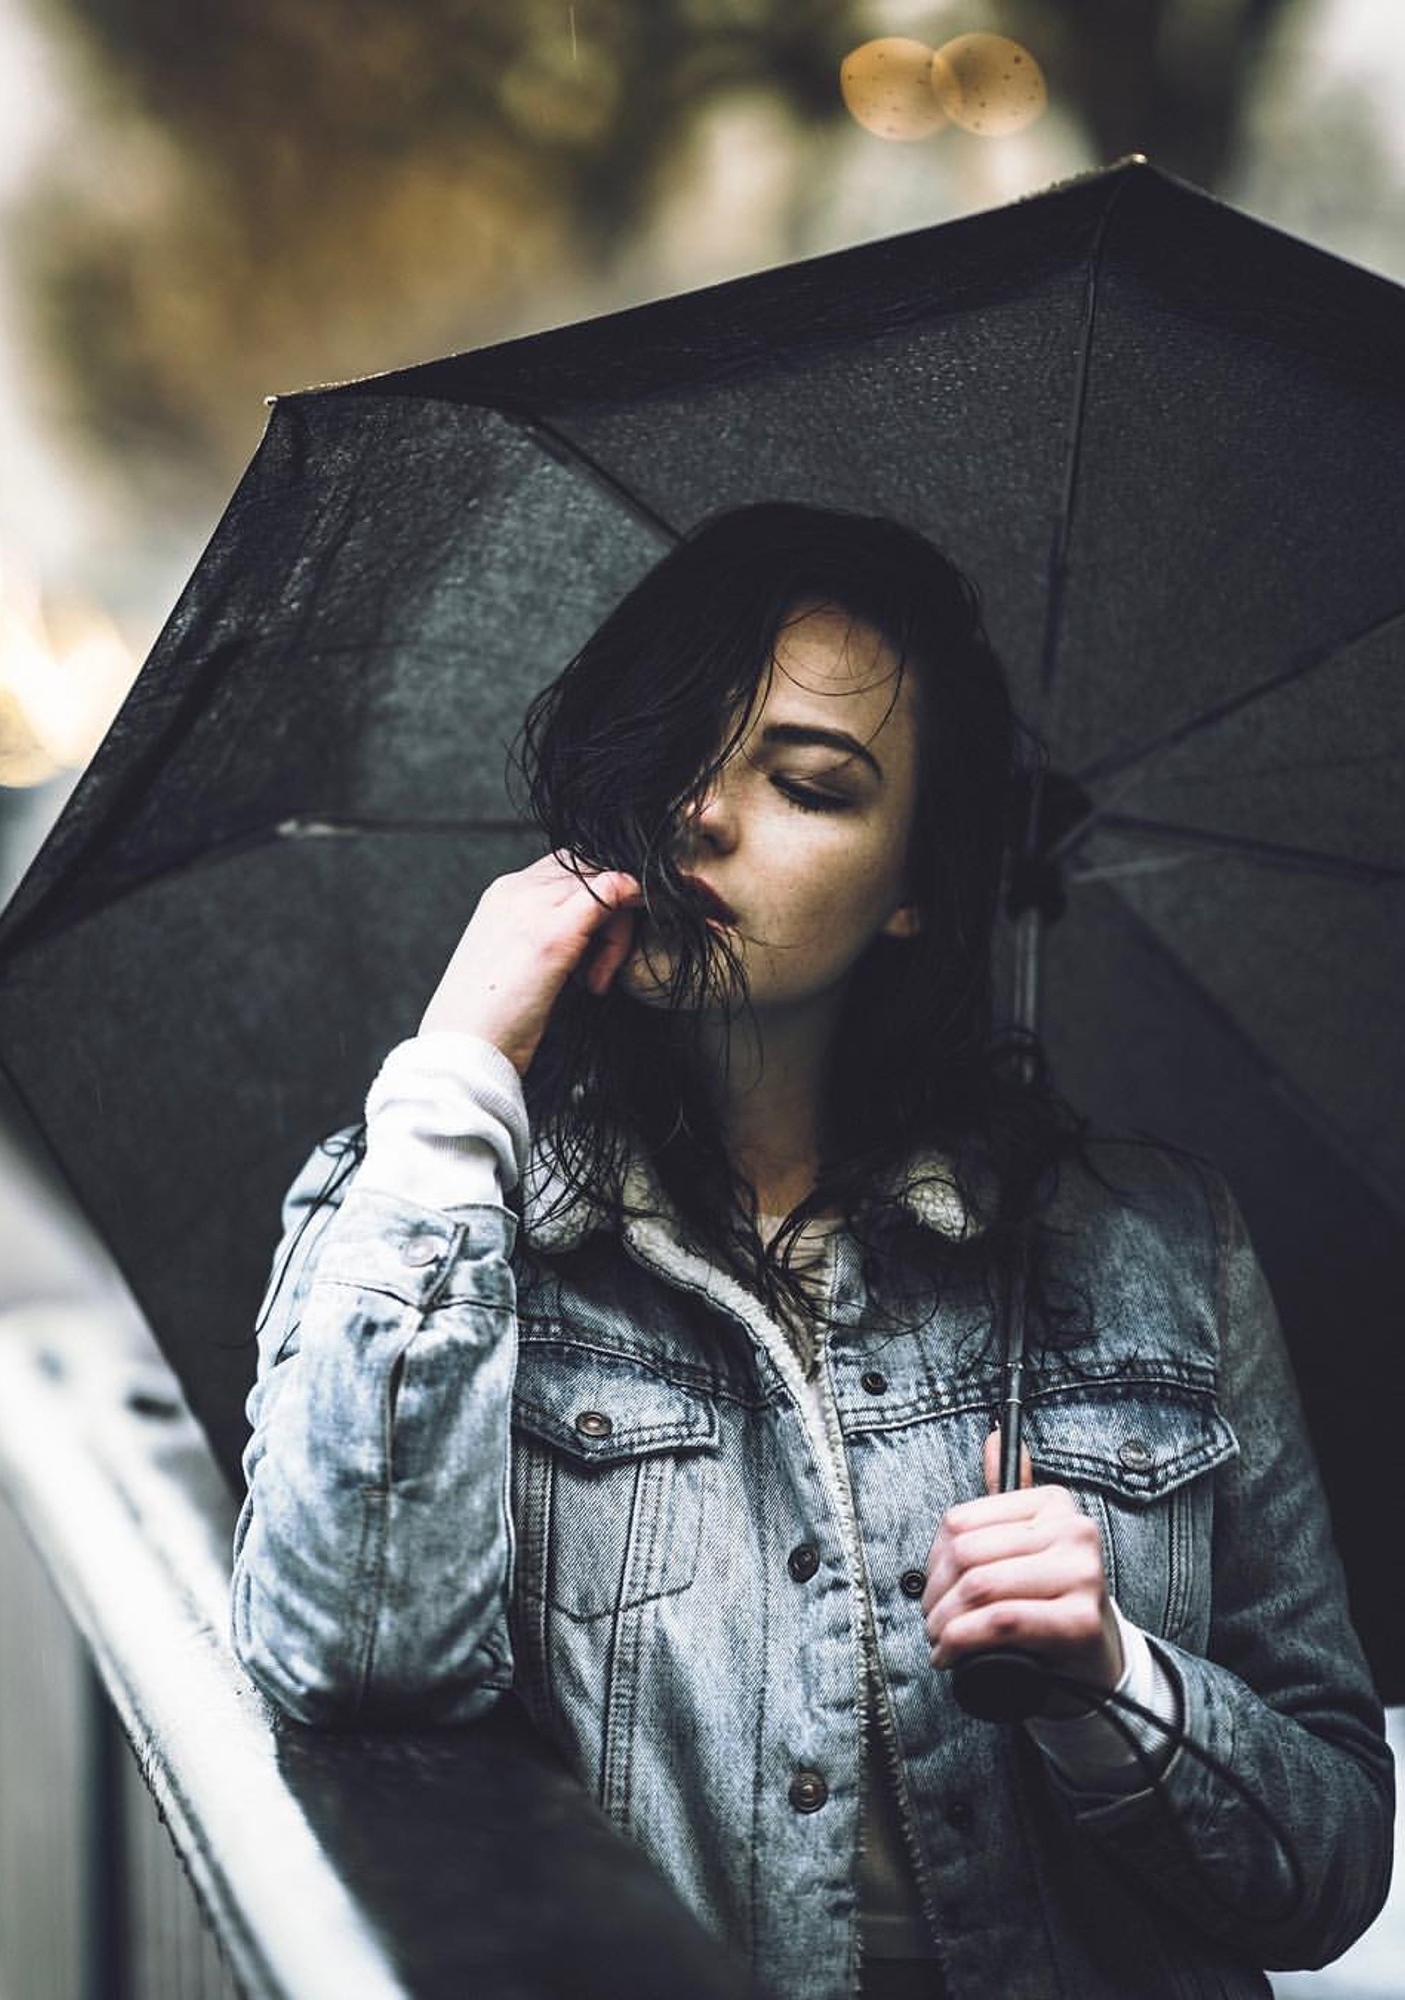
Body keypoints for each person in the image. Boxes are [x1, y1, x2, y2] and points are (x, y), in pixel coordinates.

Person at [229, 504, 1394, 1999]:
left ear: (915, 889)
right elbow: (351, 1659)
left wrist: (1113, 1685)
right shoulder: (423, 1202)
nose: (704, 814)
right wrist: (459, 1068)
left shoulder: (1155, 1250)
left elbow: (1334, 1867)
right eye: (676, 752)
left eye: (809, 784)